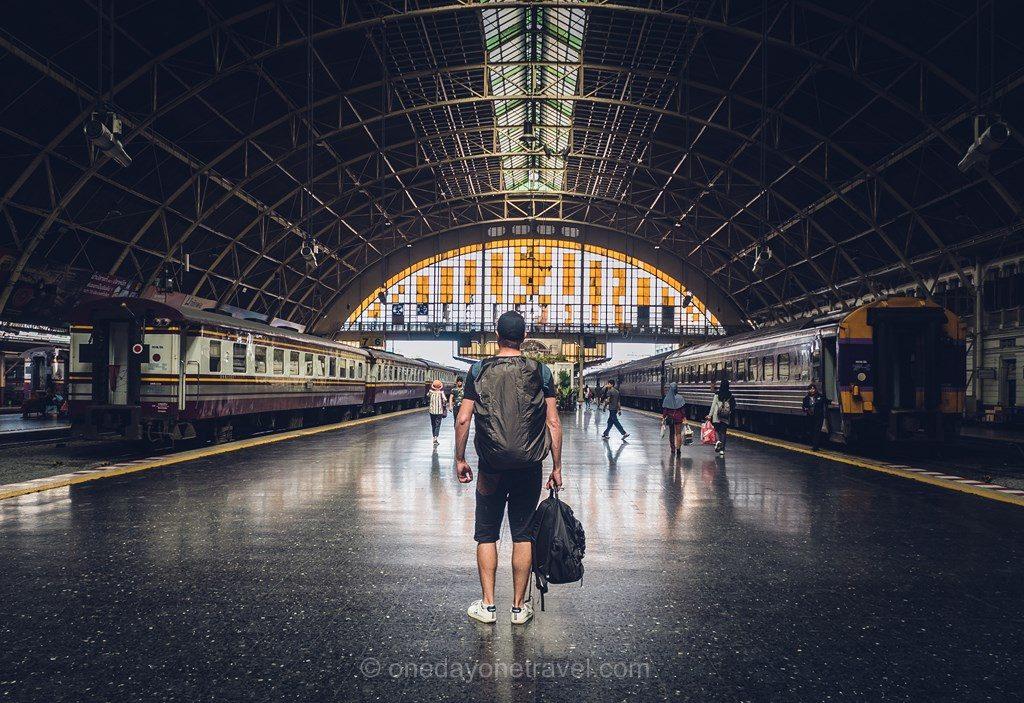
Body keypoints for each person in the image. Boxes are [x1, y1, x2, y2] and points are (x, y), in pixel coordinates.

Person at [455, 311, 562, 626]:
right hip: (529, 467)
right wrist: (557, 466)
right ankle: (518, 608)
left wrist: (460, 458)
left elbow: (463, 419)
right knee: (523, 534)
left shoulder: (478, 370)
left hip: (491, 468)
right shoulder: (541, 372)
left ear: (496, 335)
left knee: (486, 534)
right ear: (525, 336)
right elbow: (553, 421)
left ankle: (488, 606)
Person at [707, 380, 735, 455]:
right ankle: (722, 450)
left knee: (717, 431)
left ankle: (718, 442)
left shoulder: (717, 394)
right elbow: (733, 405)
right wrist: (729, 412)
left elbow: (713, 406)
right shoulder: (730, 395)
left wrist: (710, 415)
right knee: (723, 432)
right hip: (725, 416)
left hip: (717, 415)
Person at [661, 382, 687, 454]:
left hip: (670, 418)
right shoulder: (680, 398)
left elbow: (665, 410)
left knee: (671, 433)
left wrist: (663, 418)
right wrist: (684, 417)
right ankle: (678, 449)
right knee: (678, 433)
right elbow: (682, 410)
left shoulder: (667, 398)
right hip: (678, 418)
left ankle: (672, 449)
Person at [802, 383, 828, 450]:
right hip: (810, 417)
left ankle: (815, 446)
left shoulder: (820, 397)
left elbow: (826, 401)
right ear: (809, 390)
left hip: (819, 416)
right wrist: (806, 409)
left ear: (815, 389)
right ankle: (814, 444)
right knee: (812, 431)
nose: (812, 390)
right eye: (811, 389)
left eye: (813, 389)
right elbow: (803, 407)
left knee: (817, 431)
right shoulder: (806, 399)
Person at [428, 379, 447, 445]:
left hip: (432, 411)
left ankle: (433, 437)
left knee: (433, 424)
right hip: (439, 411)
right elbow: (445, 399)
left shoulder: (430, 392)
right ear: (440, 386)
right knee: (438, 425)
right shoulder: (441, 392)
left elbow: (428, 395)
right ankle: (436, 438)